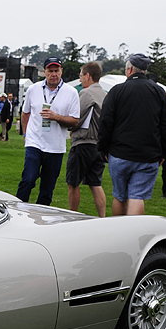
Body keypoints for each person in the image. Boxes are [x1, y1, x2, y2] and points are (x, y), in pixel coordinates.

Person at [98, 54, 166, 216]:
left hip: (120, 153)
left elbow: (105, 122)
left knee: (119, 196)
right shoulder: (158, 92)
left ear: (129, 70)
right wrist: (165, 152)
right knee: (137, 197)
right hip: (148, 155)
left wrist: (103, 149)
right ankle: (133, 236)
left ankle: (119, 233)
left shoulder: (117, 90)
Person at [15, 58, 80, 205]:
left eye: (56, 70)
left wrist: (56, 117)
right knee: (28, 179)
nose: (54, 74)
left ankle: (40, 219)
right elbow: (25, 113)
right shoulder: (33, 89)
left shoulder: (71, 92)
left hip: (55, 146)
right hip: (34, 142)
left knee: (47, 188)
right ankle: (17, 209)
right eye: (50, 71)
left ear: (61, 71)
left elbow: (75, 121)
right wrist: (25, 134)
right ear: (44, 72)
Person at [66, 62, 107, 217]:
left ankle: (72, 216)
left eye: (81, 75)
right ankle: (102, 217)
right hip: (99, 145)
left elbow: (76, 118)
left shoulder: (86, 93)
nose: (81, 79)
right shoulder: (104, 94)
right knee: (95, 183)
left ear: (88, 76)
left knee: (73, 182)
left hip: (83, 143)